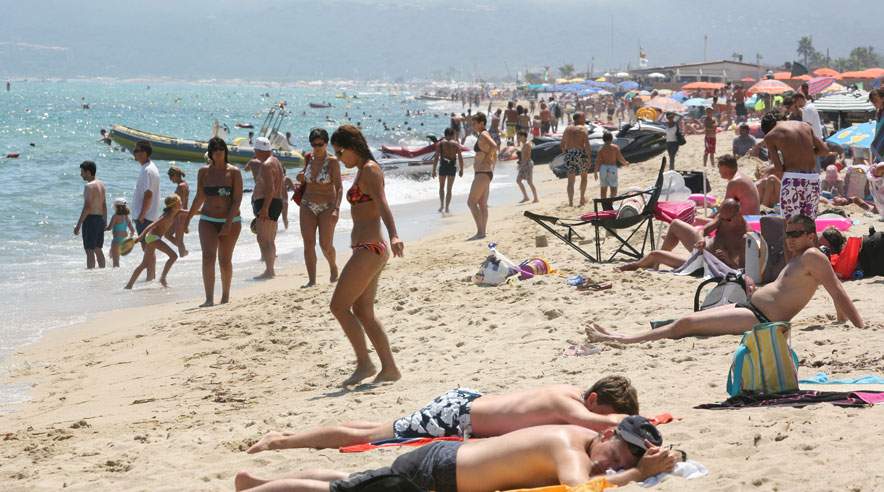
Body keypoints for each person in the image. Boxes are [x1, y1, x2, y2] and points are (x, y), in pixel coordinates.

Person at [589, 214, 864, 344]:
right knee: (688, 320)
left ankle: (623, 340)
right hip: (751, 307)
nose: (789, 239)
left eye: (795, 235)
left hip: (760, 319)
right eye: (788, 234)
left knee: (686, 324)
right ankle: (618, 336)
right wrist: (838, 320)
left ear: (811, 236)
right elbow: (831, 289)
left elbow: (837, 290)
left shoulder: (813, 256)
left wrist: (858, 326)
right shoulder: (801, 257)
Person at [236, 417, 677, 492]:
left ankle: (257, 482)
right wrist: (635, 476)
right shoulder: (571, 448)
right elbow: (579, 491)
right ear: (606, 433)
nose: (613, 465)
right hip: (437, 473)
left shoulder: (580, 437)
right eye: (618, 453)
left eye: (624, 463)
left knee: (362, 480)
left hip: (444, 462)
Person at [248, 376, 639, 453]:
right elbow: (601, 423)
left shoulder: (567, 391)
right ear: (593, 398)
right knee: (367, 437)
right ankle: (279, 442)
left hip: (465, 404)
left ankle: (288, 436)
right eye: (607, 410)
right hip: (456, 417)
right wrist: (645, 424)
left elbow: (599, 419)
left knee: (376, 428)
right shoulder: (569, 405)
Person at [329, 125, 403, 386]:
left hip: (370, 248)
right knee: (363, 311)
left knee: (338, 306)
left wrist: (394, 235)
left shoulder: (370, 169)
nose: (339, 158)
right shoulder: (362, 170)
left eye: (340, 152)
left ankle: (365, 364)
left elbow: (382, 203)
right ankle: (390, 369)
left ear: (352, 146)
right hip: (367, 248)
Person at [186, 137, 243, 307]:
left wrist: (228, 223)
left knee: (224, 260)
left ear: (225, 151)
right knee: (207, 257)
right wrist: (187, 218)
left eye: (221, 149)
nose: (218, 152)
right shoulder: (203, 172)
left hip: (231, 220)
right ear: (210, 153)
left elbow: (237, 200)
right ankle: (209, 298)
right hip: (208, 219)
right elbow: (199, 197)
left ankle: (225, 296)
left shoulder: (234, 172)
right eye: (215, 150)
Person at [619, 198, 747, 271]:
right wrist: (701, 239)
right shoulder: (723, 217)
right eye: (721, 217)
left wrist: (728, 260)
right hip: (702, 248)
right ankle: (655, 264)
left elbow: (741, 270)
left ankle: (643, 263)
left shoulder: (744, 237)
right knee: (675, 224)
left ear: (739, 214)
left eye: (727, 219)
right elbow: (703, 230)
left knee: (654, 254)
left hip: (707, 264)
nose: (723, 221)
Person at [762, 112, 829, 219]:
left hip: (793, 179)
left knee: (790, 221)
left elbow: (779, 168)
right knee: (809, 221)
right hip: (813, 178)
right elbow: (824, 150)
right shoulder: (805, 126)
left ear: (768, 128)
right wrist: (805, 153)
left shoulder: (770, 136)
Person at [297, 128, 342, 288]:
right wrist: (300, 177)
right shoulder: (308, 157)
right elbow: (304, 176)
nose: (316, 147)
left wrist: (336, 208)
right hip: (307, 204)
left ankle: (333, 266)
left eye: (320, 144)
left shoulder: (332, 161)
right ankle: (312, 280)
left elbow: (339, 187)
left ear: (326, 143)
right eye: (313, 144)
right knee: (308, 244)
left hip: (327, 206)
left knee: (325, 244)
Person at [125, 194, 184, 289]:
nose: (181, 203)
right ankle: (162, 279)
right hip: (153, 238)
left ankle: (129, 285)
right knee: (173, 256)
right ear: (174, 205)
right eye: (179, 202)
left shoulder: (177, 212)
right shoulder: (166, 216)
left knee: (144, 264)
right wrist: (141, 236)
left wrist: (204, 212)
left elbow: (190, 212)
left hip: (151, 238)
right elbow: (151, 225)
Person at [249, 137, 285, 279]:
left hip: (268, 202)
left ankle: (270, 271)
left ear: (258, 150)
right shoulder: (276, 161)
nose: (255, 153)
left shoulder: (266, 165)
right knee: (268, 239)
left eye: (255, 151)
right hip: (275, 202)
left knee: (264, 239)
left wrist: (264, 208)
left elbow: (270, 189)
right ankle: (270, 269)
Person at [132, 140, 161, 280]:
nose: (134, 153)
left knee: (147, 249)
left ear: (144, 153)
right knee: (149, 249)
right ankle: (151, 276)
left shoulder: (147, 170)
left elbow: (148, 194)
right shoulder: (151, 168)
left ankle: (151, 277)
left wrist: (142, 214)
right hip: (150, 215)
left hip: (145, 217)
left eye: (136, 150)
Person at [466, 113, 497, 240]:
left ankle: (480, 231)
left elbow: (494, 146)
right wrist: (491, 162)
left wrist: (486, 159)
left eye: (474, 123)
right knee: (482, 204)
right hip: (485, 172)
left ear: (482, 123)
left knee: (471, 202)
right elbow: (493, 151)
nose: (473, 126)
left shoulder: (484, 134)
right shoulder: (483, 134)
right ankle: (482, 232)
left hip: (482, 172)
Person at [74, 160, 107, 269]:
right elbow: (104, 204)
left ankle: (91, 274)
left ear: (88, 172)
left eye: (82, 172)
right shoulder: (101, 184)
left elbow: (87, 207)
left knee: (89, 250)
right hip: (100, 219)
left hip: (91, 220)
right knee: (98, 249)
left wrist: (78, 225)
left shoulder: (88, 186)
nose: (81, 175)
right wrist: (105, 221)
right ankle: (102, 272)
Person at [561, 112, 591, 207]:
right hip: (580, 153)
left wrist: (566, 154)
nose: (585, 119)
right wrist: (589, 158)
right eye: (583, 117)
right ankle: (582, 198)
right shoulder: (583, 128)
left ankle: (570, 202)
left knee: (570, 181)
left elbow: (562, 144)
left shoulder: (567, 129)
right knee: (584, 177)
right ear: (578, 119)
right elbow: (587, 145)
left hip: (569, 154)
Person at [432, 127, 464, 214]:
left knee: (441, 187)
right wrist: (461, 169)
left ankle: (442, 205)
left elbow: (436, 157)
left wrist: (433, 170)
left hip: (443, 166)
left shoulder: (440, 144)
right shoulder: (456, 144)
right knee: (449, 189)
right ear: (452, 135)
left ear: (445, 134)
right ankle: (447, 208)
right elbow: (460, 158)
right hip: (452, 166)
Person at [795, 92, 824, 172]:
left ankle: (816, 176)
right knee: (814, 161)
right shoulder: (810, 107)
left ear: (800, 99)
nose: (796, 105)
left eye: (796, 102)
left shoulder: (808, 109)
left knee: (814, 162)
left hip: (813, 139)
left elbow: (807, 126)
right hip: (815, 138)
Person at [595, 131, 628, 200]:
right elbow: (620, 158)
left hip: (603, 169)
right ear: (611, 138)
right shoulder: (615, 148)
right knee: (613, 188)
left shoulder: (601, 149)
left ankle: (604, 203)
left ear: (603, 139)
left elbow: (598, 161)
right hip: (612, 168)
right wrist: (625, 163)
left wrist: (595, 172)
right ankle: (611, 202)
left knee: (603, 188)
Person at [166, 166, 189, 257]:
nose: (170, 179)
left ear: (175, 175)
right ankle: (184, 252)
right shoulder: (185, 184)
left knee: (171, 236)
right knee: (170, 235)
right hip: (182, 214)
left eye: (171, 176)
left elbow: (179, 203)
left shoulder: (181, 186)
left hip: (179, 214)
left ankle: (184, 253)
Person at [106, 198, 135, 268]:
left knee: (115, 262)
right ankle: (117, 272)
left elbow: (109, 228)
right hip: (124, 241)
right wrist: (130, 239)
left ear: (116, 207)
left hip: (116, 240)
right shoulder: (126, 217)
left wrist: (102, 228)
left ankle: (115, 273)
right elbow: (132, 230)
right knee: (111, 255)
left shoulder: (115, 216)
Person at [515, 130, 538, 203]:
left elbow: (528, 156)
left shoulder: (527, 144)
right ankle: (526, 197)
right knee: (518, 180)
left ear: (523, 136)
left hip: (527, 164)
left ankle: (536, 198)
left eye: (519, 137)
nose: (518, 138)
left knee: (530, 182)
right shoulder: (524, 144)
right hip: (523, 164)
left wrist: (522, 164)